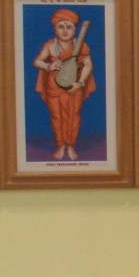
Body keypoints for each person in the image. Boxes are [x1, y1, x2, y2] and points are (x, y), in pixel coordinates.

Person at [33, 8, 96, 162]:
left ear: (75, 29)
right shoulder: (50, 46)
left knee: (73, 116)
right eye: (61, 26)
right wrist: (48, 66)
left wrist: (80, 83)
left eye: (69, 26)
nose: (65, 30)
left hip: (74, 86)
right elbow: (37, 61)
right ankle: (60, 144)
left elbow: (88, 65)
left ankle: (70, 144)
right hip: (53, 86)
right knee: (56, 116)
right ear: (55, 29)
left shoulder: (81, 45)